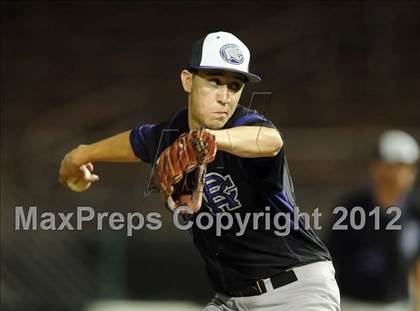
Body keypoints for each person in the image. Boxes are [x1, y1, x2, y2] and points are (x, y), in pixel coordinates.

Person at [59, 31, 340, 310]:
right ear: (187, 80)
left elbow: (270, 141)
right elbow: (136, 141)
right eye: (215, 81)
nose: (225, 96)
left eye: (234, 86)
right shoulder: (172, 133)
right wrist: (79, 155)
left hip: (295, 291)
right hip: (230, 300)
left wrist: (210, 140)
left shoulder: (248, 125)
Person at [326, 130, 420, 311]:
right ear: (377, 167)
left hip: (397, 304)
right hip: (354, 304)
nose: (404, 173)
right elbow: (331, 256)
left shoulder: (415, 210)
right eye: (396, 165)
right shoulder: (352, 208)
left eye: (409, 166)